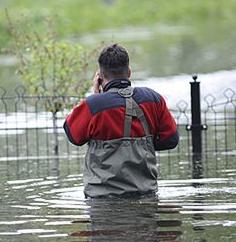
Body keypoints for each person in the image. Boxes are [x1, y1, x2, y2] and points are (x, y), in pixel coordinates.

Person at [63, 44, 179, 197]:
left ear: (100, 76)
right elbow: (170, 140)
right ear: (129, 72)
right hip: (146, 195)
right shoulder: (154, 99)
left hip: (102, 199)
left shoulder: (93, 105)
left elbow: (73, 136)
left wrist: (96, 96)